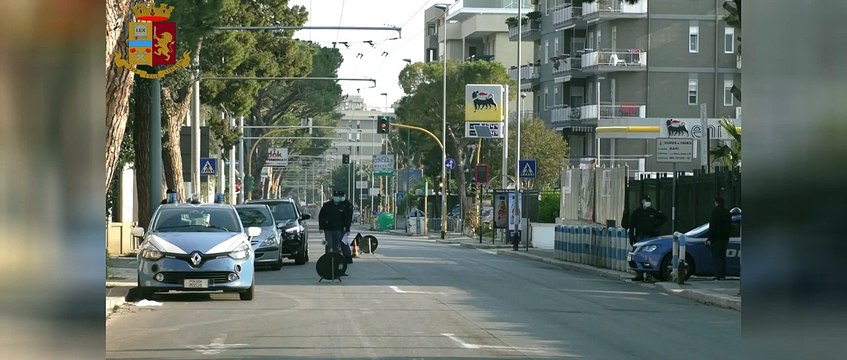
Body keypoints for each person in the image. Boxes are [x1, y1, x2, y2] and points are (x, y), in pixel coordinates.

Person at [628, 196, 668, 281]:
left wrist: (655, 225)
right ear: (642, 201)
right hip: (640, 236)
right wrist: (631, 237)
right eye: (646, 201)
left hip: (650, 236)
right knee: (638, 255)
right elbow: (632, 226)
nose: (648, 203)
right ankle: (639, 274)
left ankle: (649, 274)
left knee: (649, 256)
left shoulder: (653, 211)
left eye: (649, 201)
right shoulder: (637, 212)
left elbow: (664, 218)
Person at [319, 190, 354, 271]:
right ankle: (328, 262)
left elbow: (347, 218)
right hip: (328, 229)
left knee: (338, 246)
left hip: (339, 229)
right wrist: (321, 227)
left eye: (339, 196)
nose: (337, 198)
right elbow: (321, 216)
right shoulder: (327, 205)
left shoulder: (344, 206)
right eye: (336, 196)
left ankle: (338, 261)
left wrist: (347, 228)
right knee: (329, 246)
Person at [707, 196, 731, 280]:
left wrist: (710, 238)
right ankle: (723, 275)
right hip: (725, 238)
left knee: (716, 257)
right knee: (722, 257)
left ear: (716, 202)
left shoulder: (715, 212)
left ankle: (718, 275)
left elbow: (712, 226)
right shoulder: (727, 212)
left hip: (716, 238)